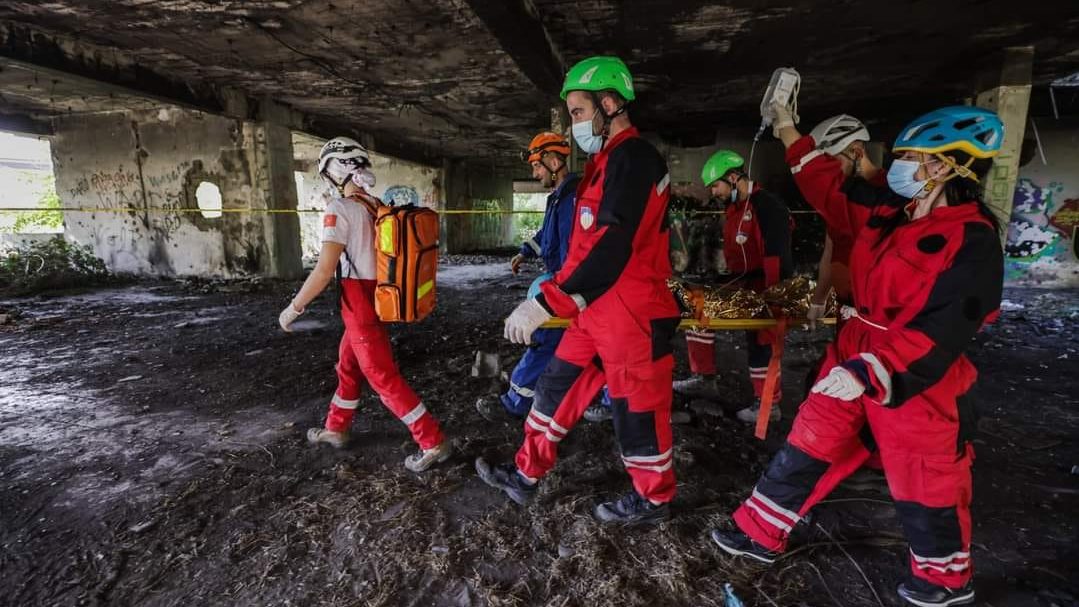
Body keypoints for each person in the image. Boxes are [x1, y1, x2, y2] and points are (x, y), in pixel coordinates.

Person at [709, 105, 1006, 607]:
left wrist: (877, 369)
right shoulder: (891, 211)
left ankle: (944, 578)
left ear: (947, 166)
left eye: (912, 158)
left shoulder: (972, 239)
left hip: (913, 370)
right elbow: (829, 185)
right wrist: (786, 126)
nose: (901, 167)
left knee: (925, 473)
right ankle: (760, 529)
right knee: (811, 437)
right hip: (854, 346)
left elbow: (946, 327)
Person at [474, 56, 681, 525]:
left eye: (579, 112)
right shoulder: (603, 163)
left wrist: (546, 303)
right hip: (595, 312)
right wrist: (556, 295)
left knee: (638, 414)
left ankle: (654, 500)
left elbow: (612, 246)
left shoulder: (634, 158)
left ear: (610, 104)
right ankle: (525, 475)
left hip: (631, 315)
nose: (575, 125)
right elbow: (582, 249)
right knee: (554, 390)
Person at [278, 136, 451, 473]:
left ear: (334, 170)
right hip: (378, 297)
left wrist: (294, 308)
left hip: (359, 303)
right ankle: (336, 427)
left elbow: (325, 270)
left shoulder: (339, 209)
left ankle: (432, 440)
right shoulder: (375, 205)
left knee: (382, 376)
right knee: (348, 365)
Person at [672, 150, 793, 424]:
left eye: (716, 185)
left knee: (762, 343)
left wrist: (774, 300)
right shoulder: (737, 209)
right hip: (745, 285)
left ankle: (768, 407)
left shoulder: (766, 205)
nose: (714, 192)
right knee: (694, 303)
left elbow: (777, 255)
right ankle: (704, 378)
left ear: (734, 177)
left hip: (766, 288)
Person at [476, 132, 581, 421]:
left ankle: (515, 402)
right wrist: (525, 251)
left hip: (566, 286)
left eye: (537, 166)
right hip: (560, 282)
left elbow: (575, 253)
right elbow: (546, 236)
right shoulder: (559, 198)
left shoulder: (573, 199)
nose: (535, 173)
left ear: (554, 161)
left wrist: (553, 292)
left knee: (544, 337)